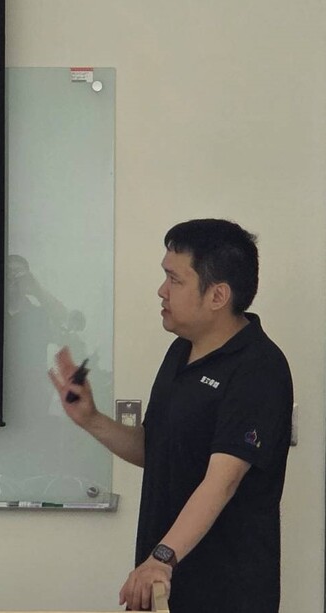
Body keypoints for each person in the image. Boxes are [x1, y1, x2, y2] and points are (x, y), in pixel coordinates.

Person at [49, 219, 293, 612]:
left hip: (227, 593)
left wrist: (162, 557)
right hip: (164, 586)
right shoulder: (181, 351)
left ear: (218, 295)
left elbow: (222, 481)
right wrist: (91, 418)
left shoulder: (259, 368)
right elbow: (156, 449)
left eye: (174, 279)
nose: (161, 291)